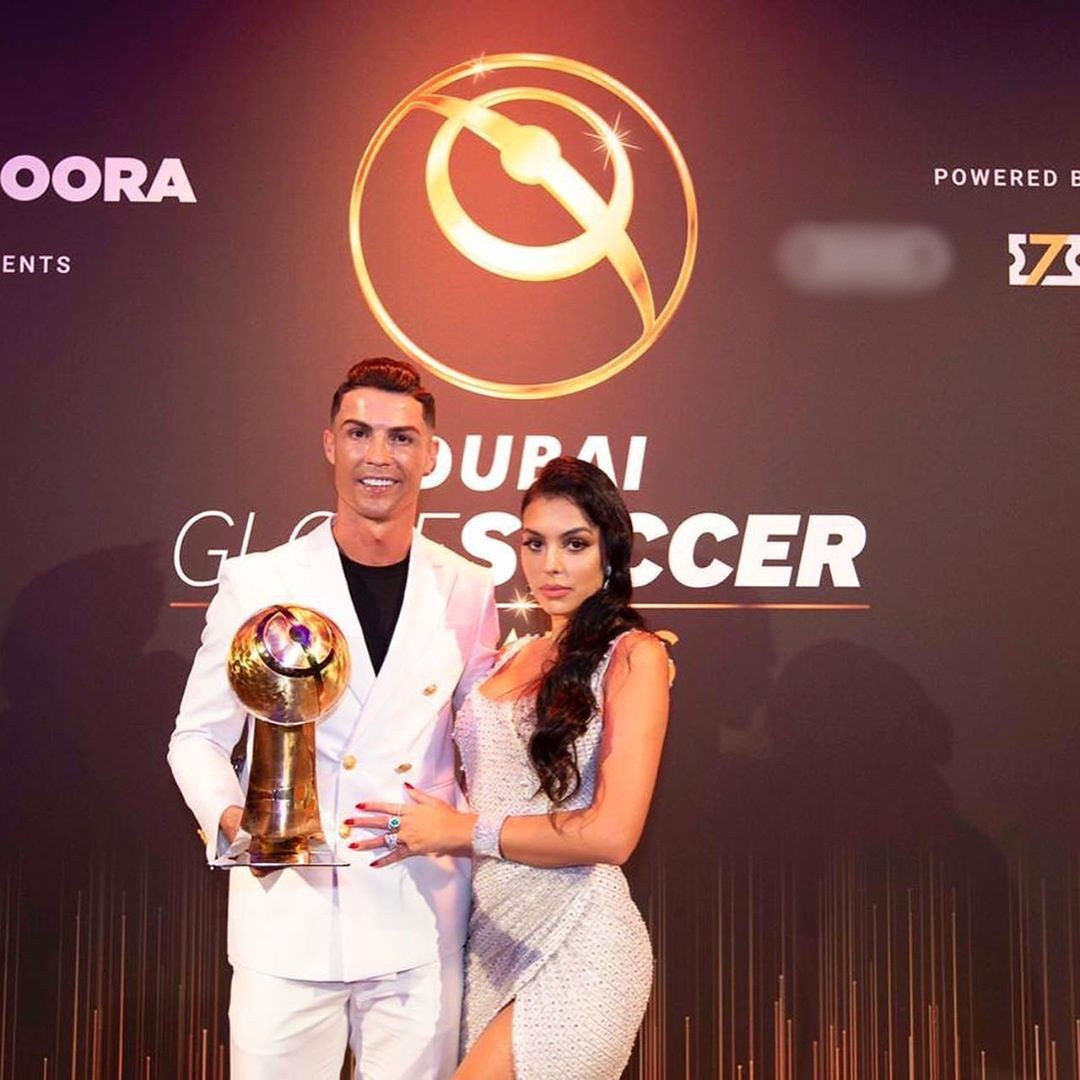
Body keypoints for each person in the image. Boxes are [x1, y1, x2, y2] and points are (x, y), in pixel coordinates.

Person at [167, 357, 498, 1079]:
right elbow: (196, 737)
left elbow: (488, 739)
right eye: (359, 433)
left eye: (401, 438)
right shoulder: (259, 580)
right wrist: (238, 822)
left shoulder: (469, 587)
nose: (379, 456)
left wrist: (615, 660)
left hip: (417, 918)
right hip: (286, 920)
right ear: (329, 444)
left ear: (431, 454)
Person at [348, 457, 670, 1079]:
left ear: (610, 550)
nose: (550, 565)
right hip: (490, 940)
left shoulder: (635, 655)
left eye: (574, 544)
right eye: (534, 543)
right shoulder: (510, 657)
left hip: (580, 940)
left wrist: (458, 831)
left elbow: (612, 835)